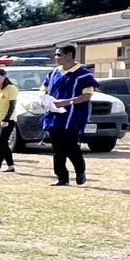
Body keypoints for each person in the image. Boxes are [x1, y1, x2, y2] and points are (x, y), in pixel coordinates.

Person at [42, 44, 97, 187]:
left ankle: (80, 171)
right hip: (54, 115)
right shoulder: (54, 73)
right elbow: (44, 89)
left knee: (71, 146)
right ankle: (62, 177)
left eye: (59, 55)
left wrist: (67, 102)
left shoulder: (83, 74)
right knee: (57, 148)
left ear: (69, 56)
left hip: (73, 116)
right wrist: (45, 99)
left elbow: (87, 95)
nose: (56, 58)